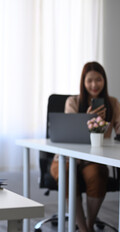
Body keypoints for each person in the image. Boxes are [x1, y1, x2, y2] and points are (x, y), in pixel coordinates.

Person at [50, 61, 120, 232]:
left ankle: (87, 227)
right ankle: (84, 228)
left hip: (93, 159)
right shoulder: (73, 102)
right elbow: (69, 134)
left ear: (104, 80)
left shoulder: (112, 103)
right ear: (83, 82)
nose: (94, 84)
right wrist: (87, 119)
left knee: (97, 175)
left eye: (98, 79)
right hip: (67, 158)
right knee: (66, 174)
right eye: (89, 80)